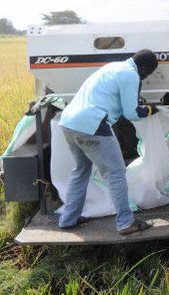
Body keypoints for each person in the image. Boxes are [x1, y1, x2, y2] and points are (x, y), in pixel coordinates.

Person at [57, 49, 160, 235]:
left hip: (68, 122)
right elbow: (132, 113)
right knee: (116, 173)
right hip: (92, 124)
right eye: (147, 75)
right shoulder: (131, 75)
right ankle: (126, 223)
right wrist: (151, 109)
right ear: (143, 68)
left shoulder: (113, 67)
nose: (144, 78)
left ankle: (68, 219)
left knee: (80, 170)